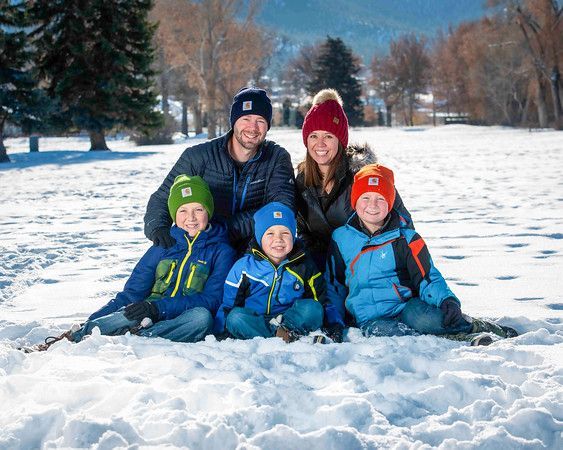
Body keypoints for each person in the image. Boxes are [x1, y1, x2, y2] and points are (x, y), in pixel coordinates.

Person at [324, 164, 518, 346]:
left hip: (407, 308)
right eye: (365, 198)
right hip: (370, 317)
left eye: (380, 198)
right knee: (385, 333)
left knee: (427, 319)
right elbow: (334, 285)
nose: (372, 205)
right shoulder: (341, 238)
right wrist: (335, 321)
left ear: (390, 203)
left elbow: (427, 276)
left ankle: (474, 327)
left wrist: (447, 300)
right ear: (355, 201)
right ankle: (455, 338)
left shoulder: (406, 239)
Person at [42, 175, 237, 349]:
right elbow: (132, 293)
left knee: (202, 318)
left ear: (208, 211)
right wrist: (95, 320)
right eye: (183, 211)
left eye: (198, 209)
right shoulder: (163, 246)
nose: (191, 218)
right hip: (146, 313)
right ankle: (78, 336)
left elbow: (211, 299)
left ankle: (138, 337)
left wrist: (159, 308)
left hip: (182, 317)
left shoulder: (221, 251)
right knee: (125, 313)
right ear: (174, 216)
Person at [145, 87, 295, 253]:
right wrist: (158, 228)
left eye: (260, 120)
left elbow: (282, 207)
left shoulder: (276, 158)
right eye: (246, 118)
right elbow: (162, 198)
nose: (253, 128)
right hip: (202, 246)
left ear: (268, 126)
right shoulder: (198, 156)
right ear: (233, 121)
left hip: (255, 250)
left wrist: (224, 230)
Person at [296, 88, 412, 270]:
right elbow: (303, 232)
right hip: (324, 272)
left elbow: (403, 224)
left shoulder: (364, 175)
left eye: (328, 136)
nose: (320, 144)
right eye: (313, 136)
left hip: (367, 269)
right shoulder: (303, 181)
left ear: (341, 140)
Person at [214, 202, 325, 342]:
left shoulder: (304, 266)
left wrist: (334, 324)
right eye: (270, 234)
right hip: (255, 318)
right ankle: (281, 335)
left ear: (293, 236)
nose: (278, 239)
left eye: (285, 233)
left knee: (313, 308)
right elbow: (229, 305)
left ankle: (285, 330)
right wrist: (220, 330)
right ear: (260, 238)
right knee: (235, 318)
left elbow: (318, 299)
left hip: (290, 318)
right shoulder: (244, 267)